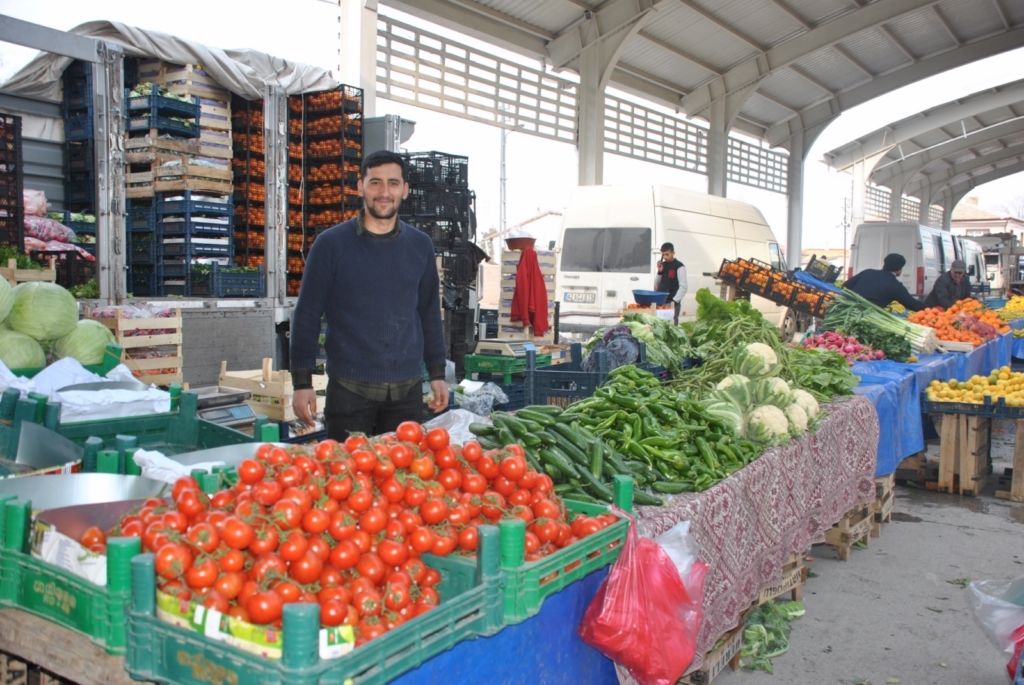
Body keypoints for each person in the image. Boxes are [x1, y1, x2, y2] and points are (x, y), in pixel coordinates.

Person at [289, 150, 449, 441]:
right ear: (360, 186)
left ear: (405, 189)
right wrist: (302, 382)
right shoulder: (331, 244)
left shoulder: (420, 245)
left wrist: (437, 373)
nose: (384, 192)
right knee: (348, 480)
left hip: (407, 393)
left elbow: (428, 312)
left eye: (392, 183)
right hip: (350, 393)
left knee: (404, 479)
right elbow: (307, 314)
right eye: (375, 183)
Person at [843, 253, 925, 312]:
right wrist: (931, 308)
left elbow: (845, 286)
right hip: (869, 316)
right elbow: (913, 304)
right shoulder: (895, 285)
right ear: (899, 269)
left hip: (847, 310)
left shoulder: (867, 272)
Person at [655, 242, 687, 324]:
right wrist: (660, 272)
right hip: (661, 302)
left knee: (672, 326)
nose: (665, 257)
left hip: (672, 301)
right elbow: (656, 285)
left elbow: (683, 287)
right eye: (663, 255)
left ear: (673, 253)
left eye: (667, 254)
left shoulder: (679, 266)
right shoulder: (663, 265)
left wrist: (674, 301)